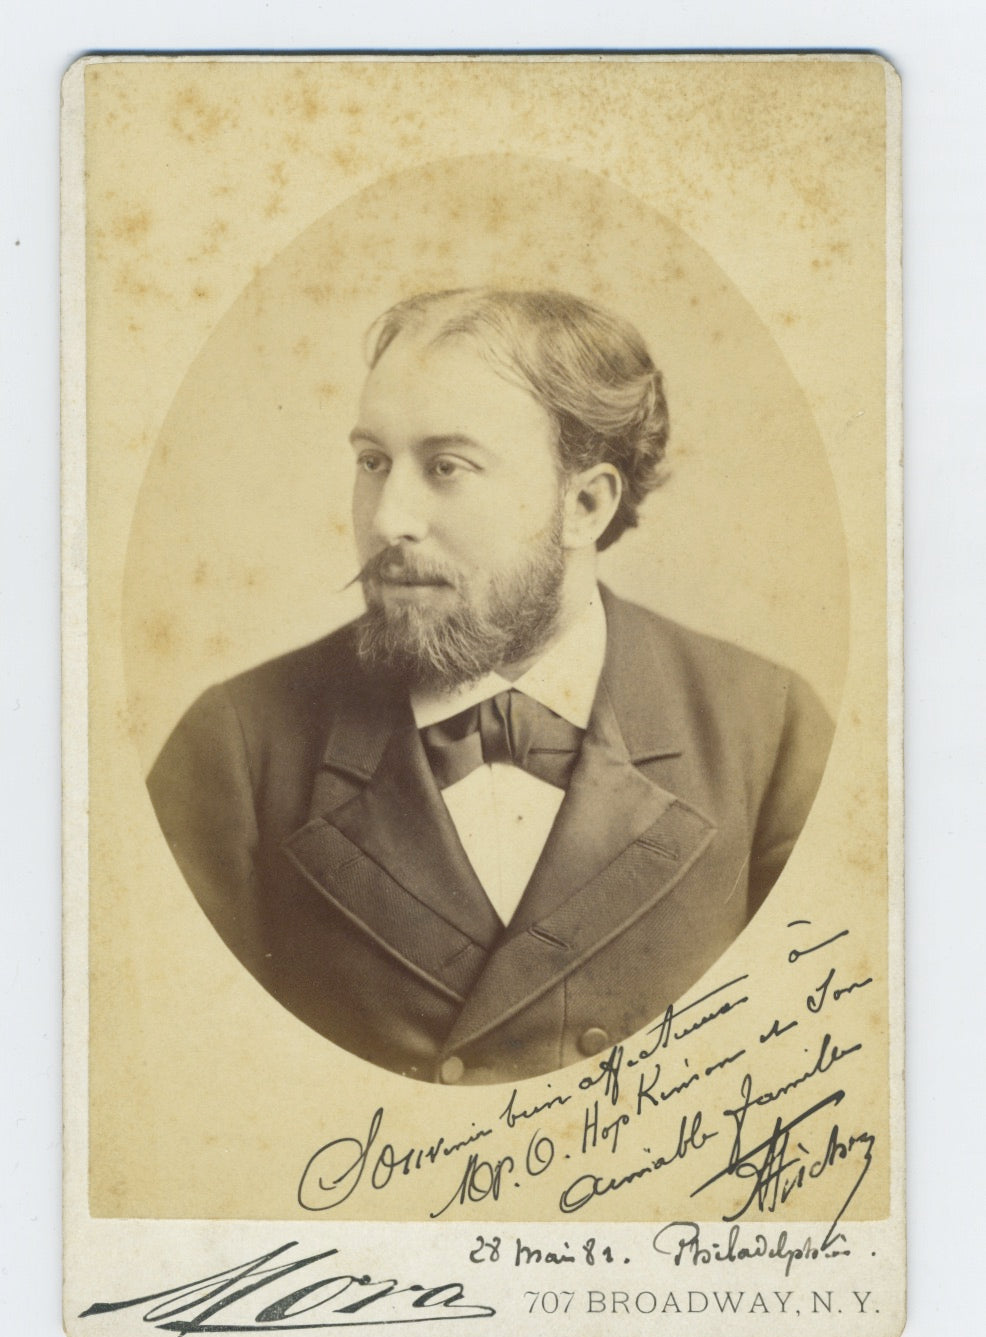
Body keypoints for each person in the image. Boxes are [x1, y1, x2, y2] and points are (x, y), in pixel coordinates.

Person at [148, 288, 834, 1085]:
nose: (388, 519)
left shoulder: (770, 732)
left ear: (586, 504)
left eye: (447, 467)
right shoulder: (234, 745)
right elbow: (185, 1085)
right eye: (372, 462)